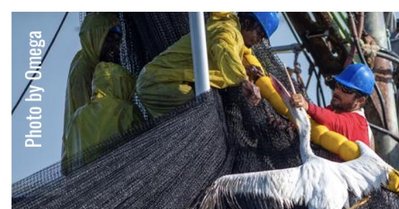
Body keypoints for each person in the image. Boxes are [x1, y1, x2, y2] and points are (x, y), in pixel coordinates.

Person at [136, 12, 279, 119]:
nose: (258, 41)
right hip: (159, 83)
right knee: (204, 118)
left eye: (262, 38)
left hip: (157, 82)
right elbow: (224, 48)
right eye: (259, 34)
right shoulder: (228, 30)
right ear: (247, 22)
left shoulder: (235, 38)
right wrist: (242, 80)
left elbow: (217, 61)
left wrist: (245, 70)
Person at [62, 62, 143, 173]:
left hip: (85, 182)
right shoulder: (126, 109)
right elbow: (144, 147)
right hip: (120, 178)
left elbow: (64, 168)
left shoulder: (74, 118)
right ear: (119, 84)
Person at [62, 13, 122, 154]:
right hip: (88, 151)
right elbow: (88, 119)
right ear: (95, 37)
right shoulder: (83, 70)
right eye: (109, 39)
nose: (114, 46)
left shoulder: (91, 62)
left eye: (118, 40)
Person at [291, 63, 375, 147]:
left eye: (346, 90)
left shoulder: (359, 124)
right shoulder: (335, 109)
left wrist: (307, 106)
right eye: (337, 85)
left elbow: (335, 121)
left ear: (360, 100)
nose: (337, 91)